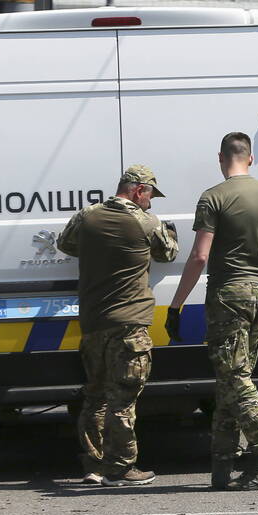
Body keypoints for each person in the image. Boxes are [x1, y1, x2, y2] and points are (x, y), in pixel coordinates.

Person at [167, 131, 258, 491]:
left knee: (235, 377)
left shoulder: (213, 198)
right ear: (250, 158)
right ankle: (222, 465)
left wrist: (175, 305)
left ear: (221, 158)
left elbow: (200, 256)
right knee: (230, 380)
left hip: (228, 296)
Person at [58, 164, 178, 487]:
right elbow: (168, 253)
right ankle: (122, 467)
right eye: (150, 195)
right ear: (139, 190)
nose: (151, 202)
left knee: (95, 395)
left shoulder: (88, 216)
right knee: (123, 398)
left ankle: (94, 465)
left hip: (94, 323)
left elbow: (65, 244)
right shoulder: (144, 221)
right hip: (129, 326)